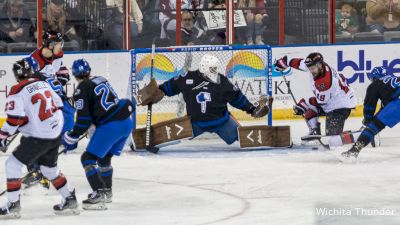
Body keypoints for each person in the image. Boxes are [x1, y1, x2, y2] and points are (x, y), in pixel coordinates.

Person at [0, 59, 78, 218]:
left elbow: (15, 119)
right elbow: (59, 104)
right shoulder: (43, 84)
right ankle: (69, 198)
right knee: (48, 169)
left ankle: (13, 205)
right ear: (31, 72)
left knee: (12, 164)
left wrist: (3, 137)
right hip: (56, 131)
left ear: (16, 76)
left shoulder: (16, 91)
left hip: (39, 137)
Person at [137, 54, 271, 146]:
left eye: (215, 68)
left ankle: (146, 139)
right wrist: (156, 92)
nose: (215, 71)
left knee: (242, 137)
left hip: (211, 122)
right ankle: (141, 139)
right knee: (239, 136)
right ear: (204, 67)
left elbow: (167, 88)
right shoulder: (220, 81)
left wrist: (156, 92)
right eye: (212, 69)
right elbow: (237, 98)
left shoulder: (186, 77)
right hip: (202, 122)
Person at [62, 59, 134, 210]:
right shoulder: (100, 79)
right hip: (126, 122)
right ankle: (107, 192)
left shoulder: (81, 89)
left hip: (111, 126)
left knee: (87, 158)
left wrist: (72, 135)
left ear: (74, 74)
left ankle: (99, 194)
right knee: (104, 157)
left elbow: (83, 120)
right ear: (89, 71)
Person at [275, 53, 356, 137]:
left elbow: (322, 103)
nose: (311, 71)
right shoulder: (316, 66)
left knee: (332, 140)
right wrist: (283, 62)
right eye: (310, 68)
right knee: (304, 104)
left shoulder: (324, 82)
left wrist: (304, 109)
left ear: (319, 66)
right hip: (334, 100)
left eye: (313, 68)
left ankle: (359, 136)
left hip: (340, 106)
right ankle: (315, 131)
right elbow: (299, 63)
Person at [342, 67, 400, 158]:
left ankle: (354, 151)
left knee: (374, 126)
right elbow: (386, 109)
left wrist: (368, 123)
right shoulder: (393, 82)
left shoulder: (376, 84)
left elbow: (369, 106)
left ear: (375, 77)